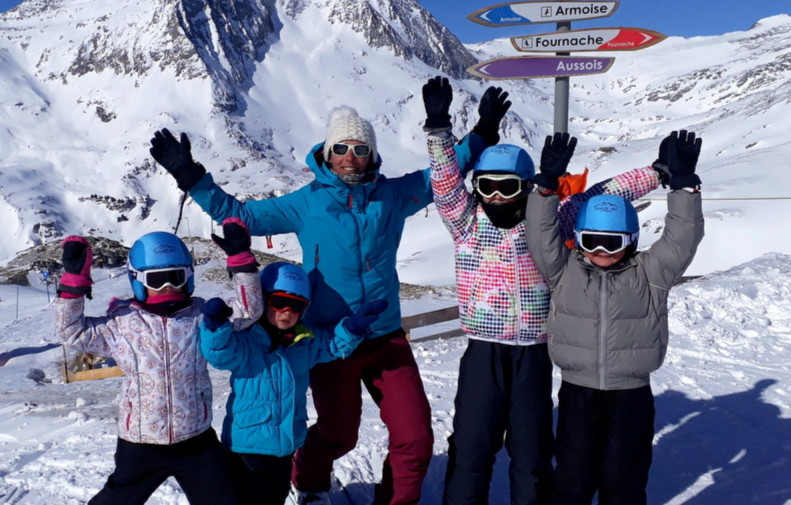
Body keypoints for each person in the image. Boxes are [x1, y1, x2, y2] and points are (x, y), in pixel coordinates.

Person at [148, 84, 503, 505]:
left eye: (360, 148)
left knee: (416, 437)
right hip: (327, 340)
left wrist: (483, 132)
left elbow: (444, 174)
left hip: (385, 336)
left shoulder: (392, 195)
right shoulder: (307, 203)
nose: (351, 156)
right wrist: (192, 178)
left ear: (372, 155)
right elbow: (241, 216)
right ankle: (311, 480)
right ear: (326, 154)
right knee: (338, 435)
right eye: (342, 147)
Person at [423, 87, 663, 505]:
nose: (498, 196)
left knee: (532, 453)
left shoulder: (548, 221)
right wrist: (440, 130)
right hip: (484, 351)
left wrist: (659, 172)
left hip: (535, 351)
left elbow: (605, 196)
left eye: (508, 186)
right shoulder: (466, 223)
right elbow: (444, 182)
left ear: (526, 187)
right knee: (472, 447)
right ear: (476, 187)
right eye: (488, 186)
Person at [525, 130, 705, 505]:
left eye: (613, 243)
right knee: (572, 478)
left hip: (631, 393)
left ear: (632, 241)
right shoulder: (562, 271)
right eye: (591, 242)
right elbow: (540, 235)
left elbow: (681, 239)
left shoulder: (651, 274)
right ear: (578, 239)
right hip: (578, 391)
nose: (601, 252)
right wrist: (545, 189)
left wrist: (684, 188)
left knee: (623, 479)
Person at [53, 229, 263, 505]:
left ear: (188, 277)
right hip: (140, 443)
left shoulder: (201, 317)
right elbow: (70, 331)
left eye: (174, 277)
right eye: (157, 279)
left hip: (196, 439)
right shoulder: (122, 324)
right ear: (137, 280)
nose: (167, 287)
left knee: (226, 499)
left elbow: (248, 312)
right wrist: (74, 282)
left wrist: (242, 261)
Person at [199, 218, 388, 505]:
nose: (287, 311)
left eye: (296, 306)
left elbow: (331, 345)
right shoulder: (248, 341)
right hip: (246, 447)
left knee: (272, 497)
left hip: (285, 446)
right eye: (279, 302)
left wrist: (352, 328)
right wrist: (215, 328)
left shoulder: (305, 342)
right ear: (263, 300)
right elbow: (219, 353)